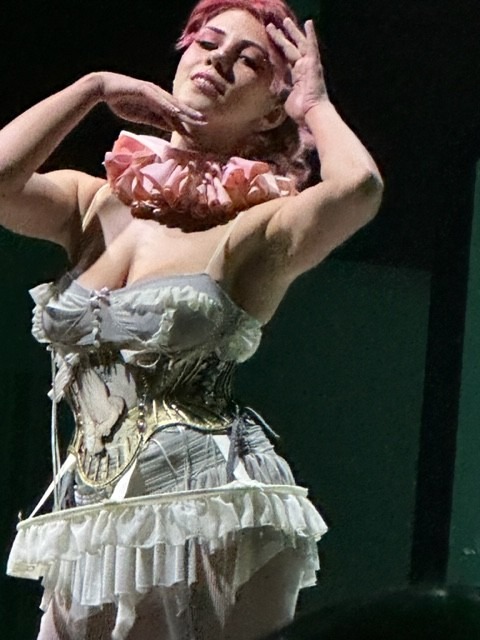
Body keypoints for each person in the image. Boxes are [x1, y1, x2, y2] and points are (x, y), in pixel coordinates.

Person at [3, 0, 383, 638]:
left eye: (247, 60)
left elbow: (359, 189)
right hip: (94, 510)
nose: (219, 61)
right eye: (208, 42)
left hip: (204, 503)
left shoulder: (257, 226)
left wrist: (314, 104)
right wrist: (92, 88)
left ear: (271, 111)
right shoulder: (92, 203)